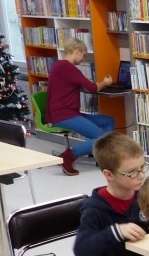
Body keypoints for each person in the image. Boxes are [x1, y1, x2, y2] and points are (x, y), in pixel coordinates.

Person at [48, 37, 115, 176]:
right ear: (77, 51)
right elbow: (92, 88)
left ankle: (105, 157)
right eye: (83, 55)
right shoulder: (68, 67)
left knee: (109, 120)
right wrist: (105, 82)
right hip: (63, 114)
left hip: (67, 112)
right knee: (101, 138)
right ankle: (68, 156)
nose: (83, 60)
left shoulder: (58, 65)